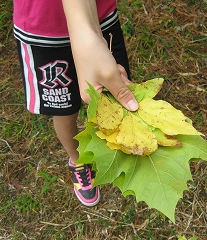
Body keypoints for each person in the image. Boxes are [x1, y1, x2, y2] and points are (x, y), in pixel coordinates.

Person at [13, 0, 139, 207]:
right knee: (64, 110)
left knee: (112, 97)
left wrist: (89, 32)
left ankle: (118, 151)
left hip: (100, 17)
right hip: (43, 31)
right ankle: (78, 160)